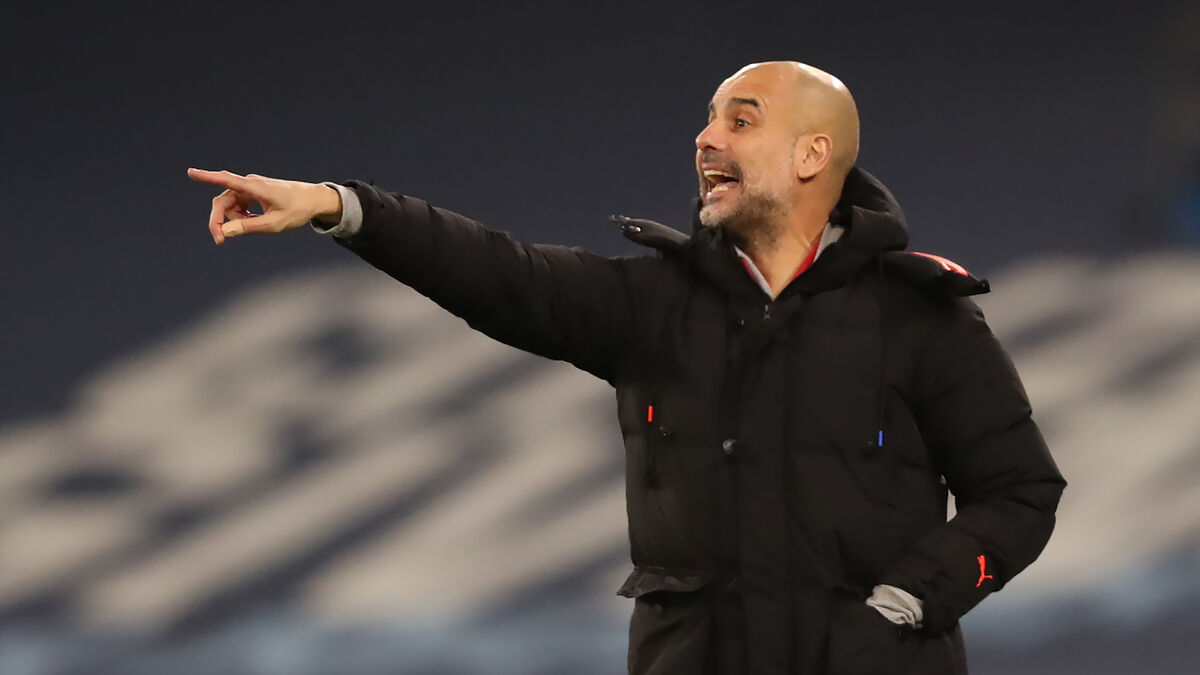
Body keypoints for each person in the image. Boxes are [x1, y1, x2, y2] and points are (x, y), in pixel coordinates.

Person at [188, 61, 1065, 675]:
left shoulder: (921, 318)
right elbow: (496, 272)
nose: (705, 138)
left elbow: (1020, 492)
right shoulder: (652, 306)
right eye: (708, 119)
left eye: (740, 120)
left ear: (811, 155)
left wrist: (905, 603)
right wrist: (340, 208)